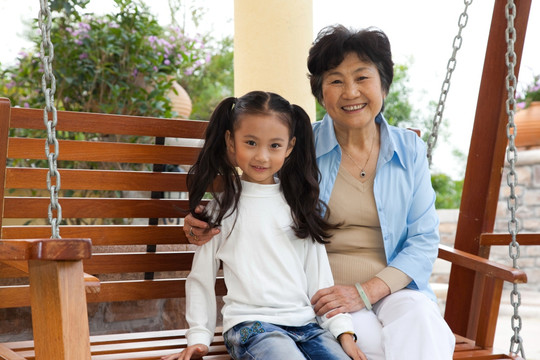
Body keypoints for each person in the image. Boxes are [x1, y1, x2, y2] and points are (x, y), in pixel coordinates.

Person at [184, 25, 456, 360]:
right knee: (375, 349)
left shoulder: (409, 149)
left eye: (362, 77)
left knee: (422, 324)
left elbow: (424, 240)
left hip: (394, 290)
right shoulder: (299, 148)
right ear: (320, 92)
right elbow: (256, 195)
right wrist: (199, 220)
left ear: (383, 83)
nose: (350, 92)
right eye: (336, 80)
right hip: (326, 301)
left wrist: (366, 291)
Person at [163, 91, 366, 360]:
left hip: (308, 327)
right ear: (231, 142)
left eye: (274, 145)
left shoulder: (299, 206)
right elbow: (201, 279)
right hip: (252, 327)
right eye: (250, 142)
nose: (262, 156)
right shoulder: (219, 210)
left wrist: (343, 333)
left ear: (290, 147)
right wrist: (199, 337)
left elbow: (320, 282)